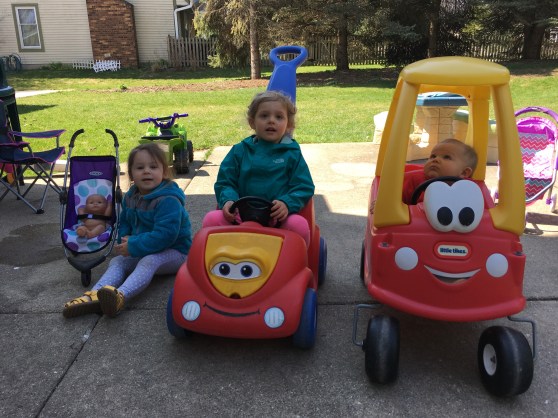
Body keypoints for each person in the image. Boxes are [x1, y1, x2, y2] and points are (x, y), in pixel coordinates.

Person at [63, 142, 192, 318]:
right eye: (140, 167)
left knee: (148, 261)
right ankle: (94, 296)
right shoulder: (131, 196)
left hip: (176, 251)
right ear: (131, 174)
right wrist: (124, 241)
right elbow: (124, 222)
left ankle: (119, 297)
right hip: (143, 246)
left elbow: (166, 235)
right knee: (118, 261)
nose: (146, 171)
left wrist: (134, 245)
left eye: (153, 167)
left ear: (164, 172)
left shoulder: (168, 200)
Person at [202, 90, 315, 245]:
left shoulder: (292, 154)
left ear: (288, 124)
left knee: (299, 225)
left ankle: (298, 259)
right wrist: (228, 200)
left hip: (278, 218)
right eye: (264, 116)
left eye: (279, 117)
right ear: (252, 122)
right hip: (239, 216)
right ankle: (220, 259)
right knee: (211, 220)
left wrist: (287, 203)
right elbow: (225, 182)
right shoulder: (239, 151)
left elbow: (303, 186)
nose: (271, 121)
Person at [370, 138, 478, 213]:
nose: (436, 159)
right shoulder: (413, 179)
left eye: (447, 157)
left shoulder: (471, 191)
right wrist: (386, 203)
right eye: (433, 156)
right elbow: (393, 195)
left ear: (464, 173)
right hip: (413, 232)